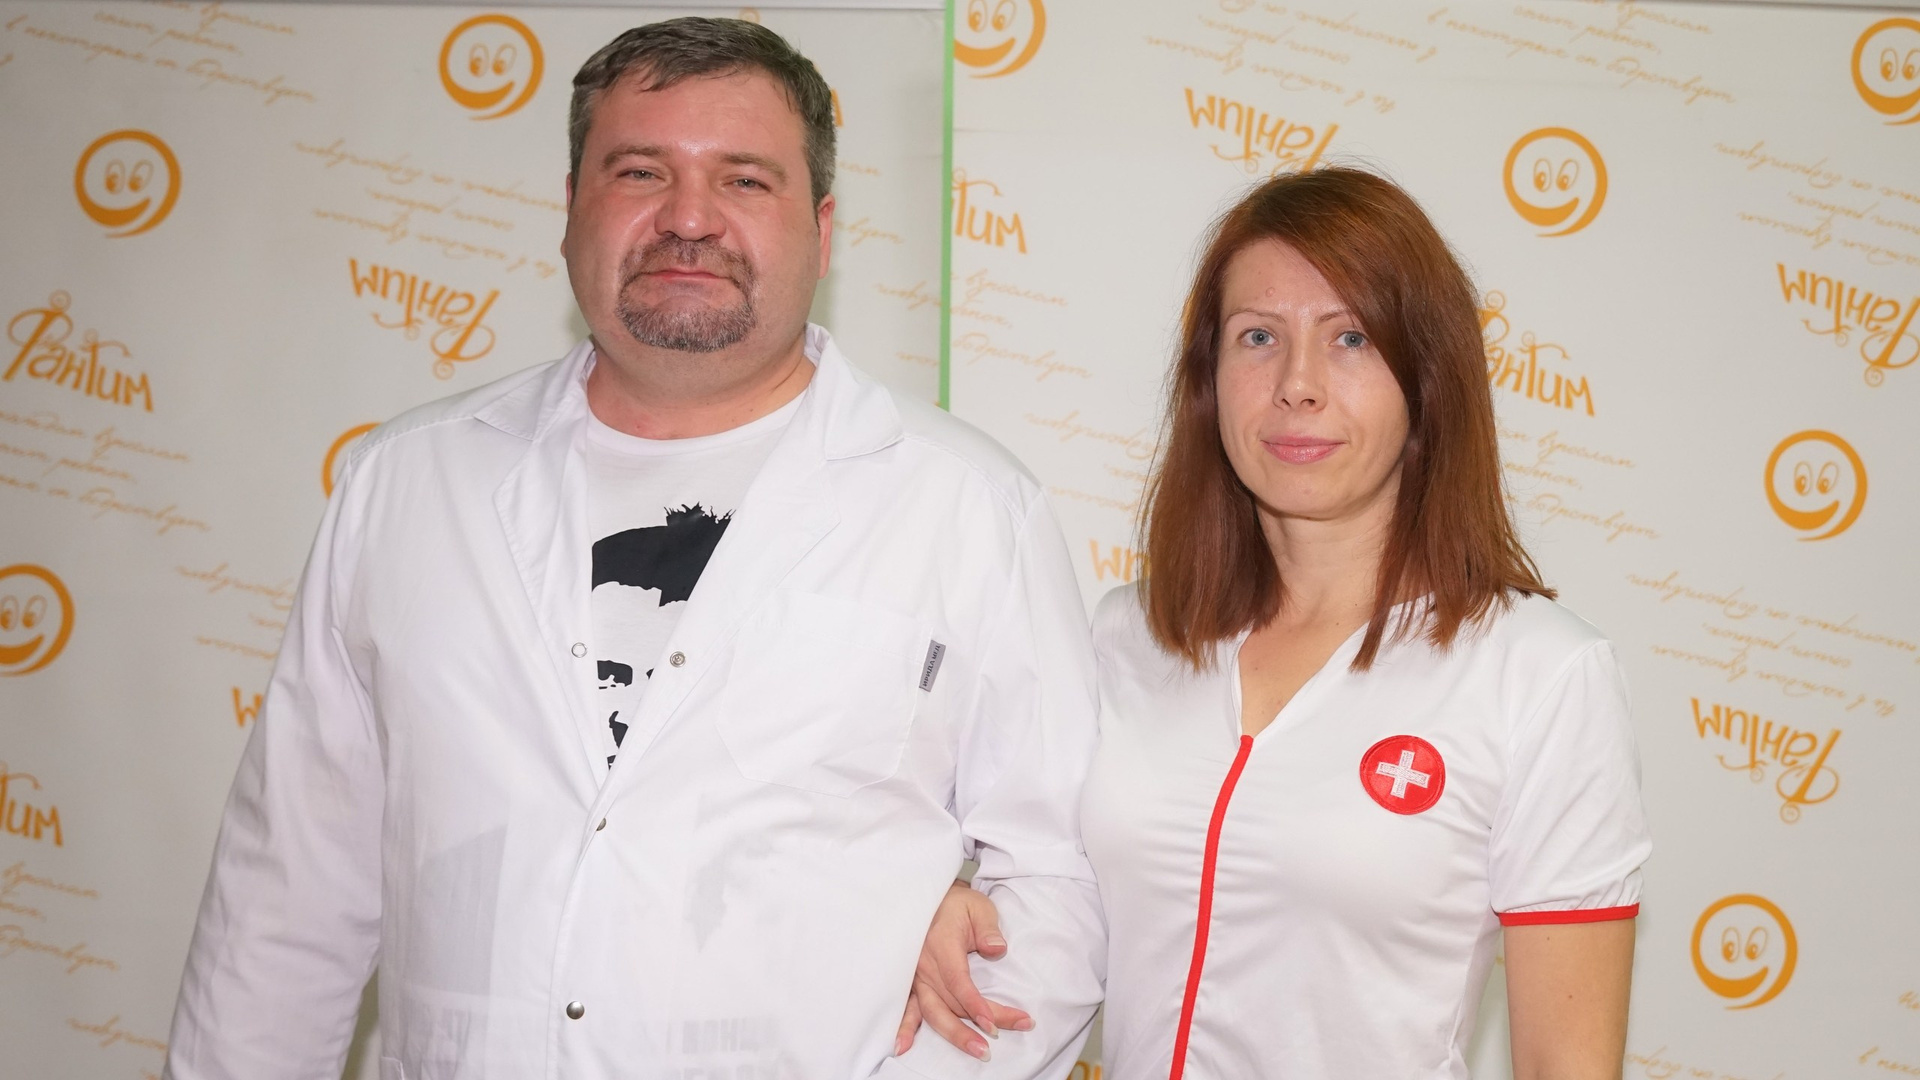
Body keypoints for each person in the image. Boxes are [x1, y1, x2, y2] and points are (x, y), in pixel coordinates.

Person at [163, 18, 1103, 1080]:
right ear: (572, 206)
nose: (689, 219)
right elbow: (285, 896)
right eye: (641, 172)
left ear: (822, 228)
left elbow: (1060, 885)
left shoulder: (968, 508)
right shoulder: (406, 483)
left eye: (744, 180)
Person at [903, 168, 1652, 1078]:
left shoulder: (1540, 675)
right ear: (1208, 380)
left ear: (1428, 380)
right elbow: (1048, 891)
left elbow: (1566, 1066)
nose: (1298, 385)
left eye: (1351, 338)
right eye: (1258, 337)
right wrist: (940, 898)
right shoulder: (1124, 636)